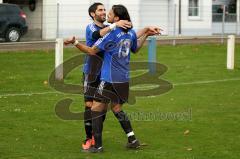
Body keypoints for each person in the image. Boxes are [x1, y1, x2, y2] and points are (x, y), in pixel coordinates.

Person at [65, 4, 161, 153]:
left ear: (116, 17)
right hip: (123, 79)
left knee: (95, 109)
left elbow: (91, 51)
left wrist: (75, 42)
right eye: (103, 11)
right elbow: (135, 47)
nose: (107, 14)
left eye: (109, 13)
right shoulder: (128, 33)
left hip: (108, 78)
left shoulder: (112, 33)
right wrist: (147, 33)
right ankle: (132, 139)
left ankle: (97, 146)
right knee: (116, 108)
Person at [80, 2, 132, 151]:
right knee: (89, 106)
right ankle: (88, 138)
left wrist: (145, 31)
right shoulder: (92, 27)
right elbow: (97, 35)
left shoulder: (110, 29)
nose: (103, 12)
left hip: (104, 74)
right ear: (92, 14)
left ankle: (97, 139)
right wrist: (115, 25)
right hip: (91, 73)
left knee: (100, 108)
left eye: (105, 10)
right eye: (100, 10)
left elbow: (129, 34)